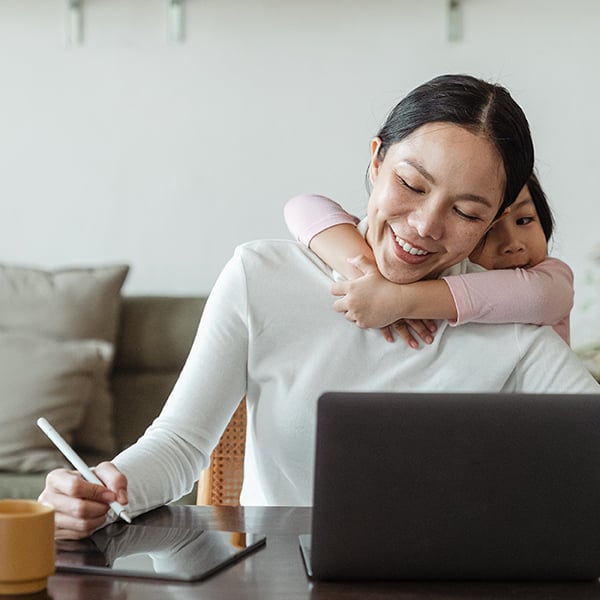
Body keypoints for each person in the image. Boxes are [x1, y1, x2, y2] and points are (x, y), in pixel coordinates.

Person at [39, 74, 600, 540]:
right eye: (411, 183)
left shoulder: (507, 324)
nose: (426, 226)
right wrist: (105, 486)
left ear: (496, 217)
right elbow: (181, 446)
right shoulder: (262, 278)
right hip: (274, 580)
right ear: (377, 161)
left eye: (469, 213)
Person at [284, 173, 574, 346]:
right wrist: (368, 275)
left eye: (525, 220)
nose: (512, 244)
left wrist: (398, 299)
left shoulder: (551, 278)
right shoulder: (444, 271)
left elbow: (538, 297)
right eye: (487, 231)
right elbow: (304, 207)